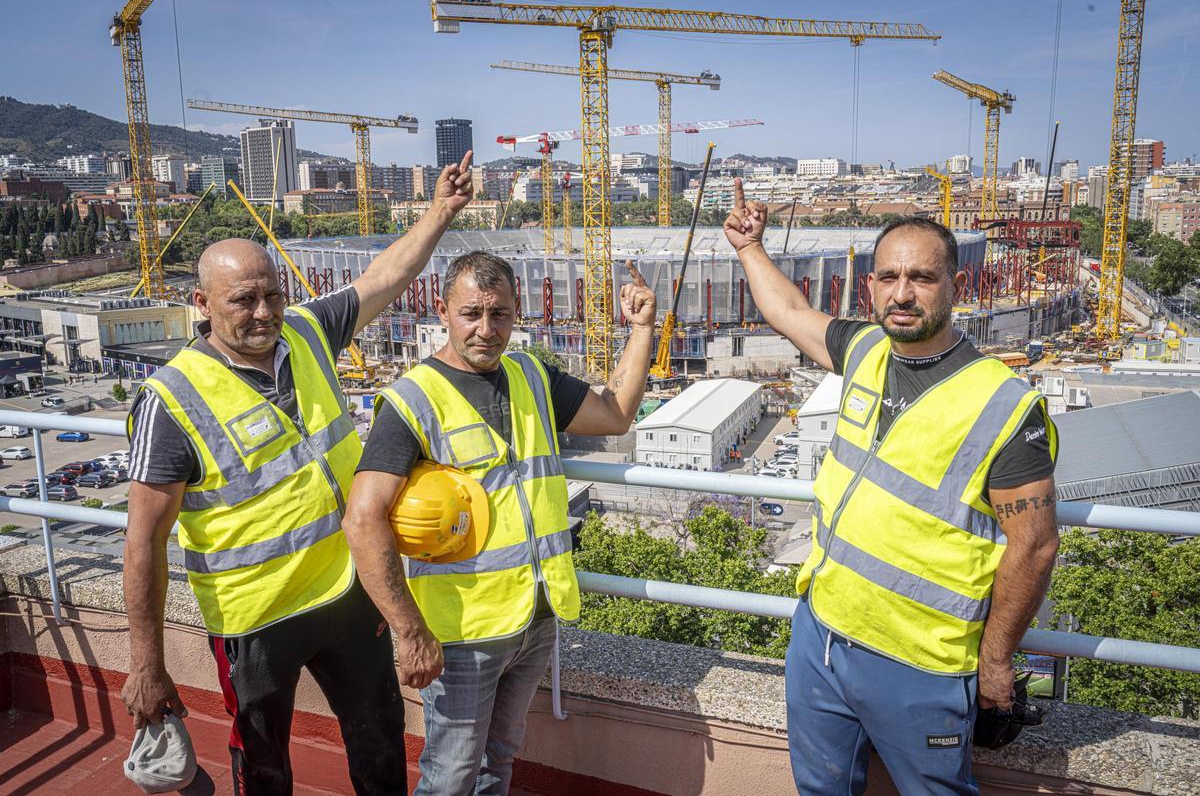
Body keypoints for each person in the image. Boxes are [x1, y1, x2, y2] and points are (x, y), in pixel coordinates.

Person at [120, 151, 478, 795]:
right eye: (243, 300)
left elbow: (385, 277)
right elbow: (142, 543)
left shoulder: (307, 334)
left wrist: (441, 211)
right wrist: (147, 664)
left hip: (347, 591)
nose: (263, 312)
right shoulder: (171, 399)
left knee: (378, 737)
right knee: (263, 767)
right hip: (254, 619)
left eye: (272, 295)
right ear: (201, 303)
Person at [724, 180, 1059, 795]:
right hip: (822, 635)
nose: (902, 294)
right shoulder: (865, 350)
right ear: (870, 284)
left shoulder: (1005, 405)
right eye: (888, 277)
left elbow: (1034, 547)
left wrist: (995, 661)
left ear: (956, 284)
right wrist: (750, 248)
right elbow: (790, 313)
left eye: (922, 279)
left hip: (921, 662)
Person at [342, 252, 657, 795]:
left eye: (500, 315)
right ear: (441, 311)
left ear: (516, 314)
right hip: (462, 631)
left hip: (536, 617)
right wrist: (409, 629)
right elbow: (362, 519)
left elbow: (615, 414)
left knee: (499, 762)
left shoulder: (530, 375)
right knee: (450, 775)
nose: (486, 330)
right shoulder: (413, 399)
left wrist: (643, 329)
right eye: (471, 314)